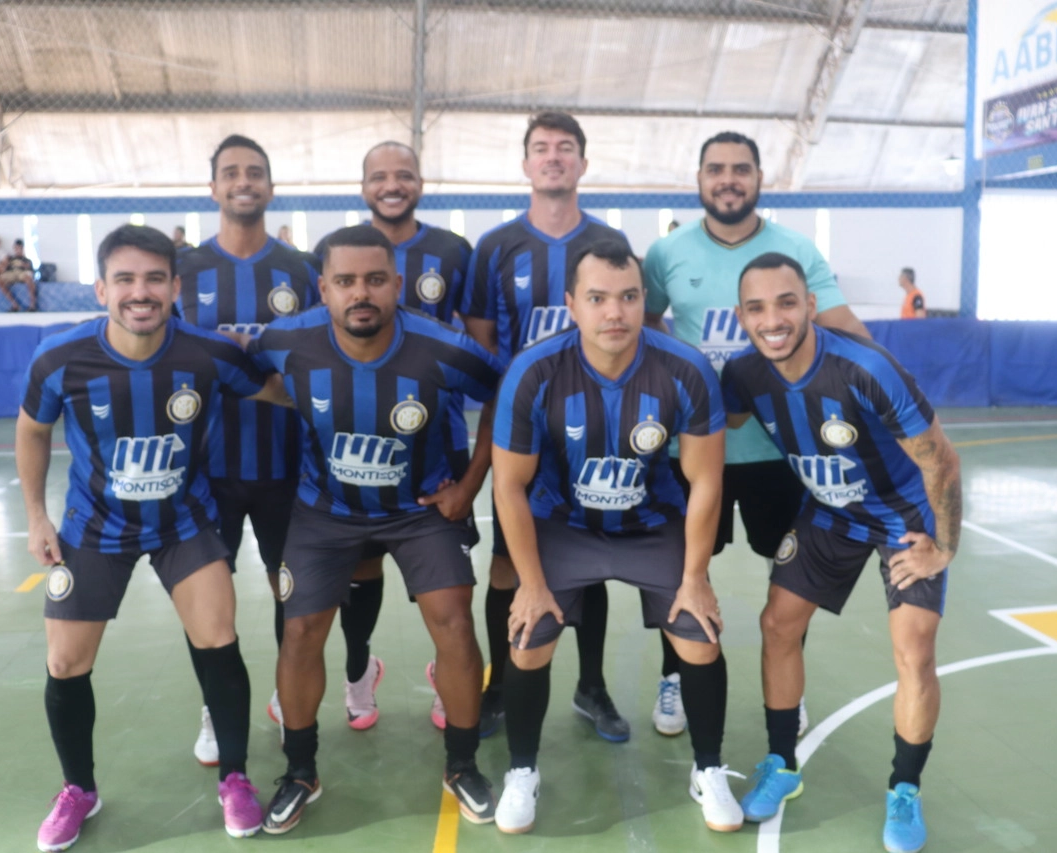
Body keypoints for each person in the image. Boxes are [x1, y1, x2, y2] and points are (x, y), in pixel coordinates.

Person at [16, 224, 290, 849]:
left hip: (184, 523)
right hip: (93, 528)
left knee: (219, 637)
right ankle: (78, 790)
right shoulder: (59, 359)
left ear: (175, 287)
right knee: (65, 662)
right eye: (126, 279)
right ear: (100, 288)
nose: (140, 292)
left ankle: (236, 778)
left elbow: (277, 390)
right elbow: (32, 430)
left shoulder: (208, 354)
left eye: (154, 279)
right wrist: (37, 516)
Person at [248, 225, 503, 834]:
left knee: (454, 621)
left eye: (374, 279)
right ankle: (300, 770)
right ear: (323, 289)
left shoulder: (443, 346)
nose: (360, 293)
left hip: (419, 511)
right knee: (302, 630)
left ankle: (462, 763)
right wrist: (310, 400)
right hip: (324, 510)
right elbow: (247, 377)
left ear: (397, 284)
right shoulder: (285, 339)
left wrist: (467, 487)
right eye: (345, 281)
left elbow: (506, 393)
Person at [491, 240, 742, 834]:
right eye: (598, 299)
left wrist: (695, 578)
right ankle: (521, 772)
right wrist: (529, 584)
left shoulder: (685, 369)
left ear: (644, 301)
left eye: (629, 297)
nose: (615, 313)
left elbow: (706, 481)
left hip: (653, 528)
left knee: (700, 634)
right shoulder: (533, 371)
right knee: (529, 635)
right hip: (565, 526)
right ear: (572, 305)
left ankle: (709, 769)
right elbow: (508, 487)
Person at [722, 252, 960, 853]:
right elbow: (708, 430)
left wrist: (944, 547)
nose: (771, 318)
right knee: (777, 625)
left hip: (902, 521)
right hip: (829, 514)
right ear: (740, 317)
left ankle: (904, 789)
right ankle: (781, 764)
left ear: (808, 305)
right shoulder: (745, 376)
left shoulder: (866, 368)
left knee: (914, 650)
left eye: (785, 302)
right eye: (756, 308)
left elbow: (941, 459)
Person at [642, 131, 869, 738]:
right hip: (692, 450)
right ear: (699, 179)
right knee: (682, 570)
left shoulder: (794, 249)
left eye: (741, 169)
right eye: (715, 168)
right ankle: (676, 676)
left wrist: (890, 390)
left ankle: (785, 685)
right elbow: (642, 324)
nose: (728, 179)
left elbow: (843, 327)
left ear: (760, 178)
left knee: (791, 572)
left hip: (778, 449)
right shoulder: (667, 254)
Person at [459, 111, 631, 741]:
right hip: (525, 437)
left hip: (600, 434)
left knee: (594, 562)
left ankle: (592, 688)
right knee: (509, 566)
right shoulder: (496, 247)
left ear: (583, 164)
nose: (553, 157)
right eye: (541, 148)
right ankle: (500, 685)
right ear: (526, 164)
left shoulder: (609, 241)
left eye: (566, 148)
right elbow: (481, 343)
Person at [312, 140, 476, 732]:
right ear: (363, 188)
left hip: (435, 445)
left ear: (421, 183)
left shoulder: (453, 251)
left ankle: (446, 677)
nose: (392, 184)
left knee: (447, 595)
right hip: (353, 446)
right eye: (379, 175)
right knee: (362, 568)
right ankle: (360, 669)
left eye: (403, 174)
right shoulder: (339, 252)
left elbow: (478, 344)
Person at [176, 134, 322, 765]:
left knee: (289, 592)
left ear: (270, 186)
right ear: (213, 188)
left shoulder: (300, 270)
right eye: (231, 173)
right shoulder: (181, 271)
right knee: (208, 601)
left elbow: (320, 361)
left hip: (285, 467)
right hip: (205, 469)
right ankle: (216, 703)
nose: (244, 181)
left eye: (255, 172)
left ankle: (283, 694)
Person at [0, 238, 39, 312]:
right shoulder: (10, 259)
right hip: (12, 273)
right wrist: (5, 262)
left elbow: (31, 271)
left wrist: (24, 265)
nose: (18, 250)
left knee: (28, 278)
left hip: (22, 273)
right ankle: (15, 304)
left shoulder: (27, 260)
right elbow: (2, 270)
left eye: (20, 248)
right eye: (16, 248)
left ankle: (32, 305)